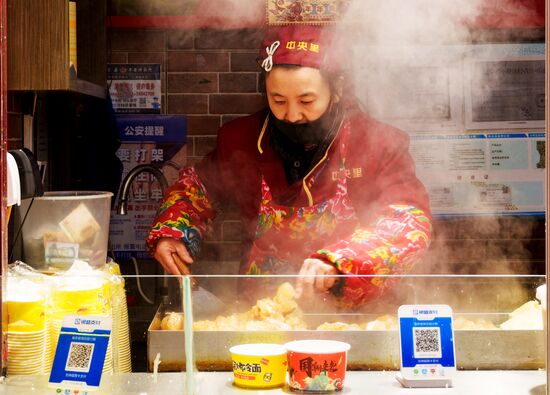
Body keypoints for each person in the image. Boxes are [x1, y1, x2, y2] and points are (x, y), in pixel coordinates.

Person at [146, 25, 432, 309]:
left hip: (355, 316)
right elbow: (196, 190)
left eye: (306, 100)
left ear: (337, 90)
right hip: (261, 315)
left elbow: (408, 221)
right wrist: (173, 230)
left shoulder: (377, 144)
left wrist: (341, 260)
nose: (292, 115)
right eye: (278, 100)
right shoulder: (241, 139)